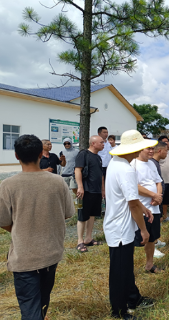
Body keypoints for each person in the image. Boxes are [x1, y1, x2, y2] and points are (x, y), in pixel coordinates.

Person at [0, 134, 74, 319]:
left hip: (24, 257)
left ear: (16, 156)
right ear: (41, 153)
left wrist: (20, 228)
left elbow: (3, 221)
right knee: (42, 299)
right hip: (51, 253)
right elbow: (67, 213)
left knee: (30, 306)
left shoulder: (8, 185)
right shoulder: (57, 181)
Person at [105, 129, 157, 319]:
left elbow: (129, 197)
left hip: (119, 223)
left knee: (125, 267)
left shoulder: (116, 163)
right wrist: (143, 229)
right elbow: (132, 202)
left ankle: (133, 298)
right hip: (120, 227)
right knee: (119, 271)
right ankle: (118, 311)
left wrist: (143, 208)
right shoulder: (126, 169)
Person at [131, 146, 164, 271]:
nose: (151, 151)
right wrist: (153, 195)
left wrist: (158, 197)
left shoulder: (151, 164)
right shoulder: (133, 164)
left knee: (152, 238)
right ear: (140, 149)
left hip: (154, 207)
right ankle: (130, 268)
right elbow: (134, 186)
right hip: (141, 207)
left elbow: (158, 182)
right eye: (148, 149)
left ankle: (149, 264)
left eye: (152, 149)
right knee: (135, 239)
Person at [75, 136, 105, 253]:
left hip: (96, 191)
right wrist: (80, 187)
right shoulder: (83, 154)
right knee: (82, 215)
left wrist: (103, 189)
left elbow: (100, 174)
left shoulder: (98, 157)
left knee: (92, 215)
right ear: (93, 143)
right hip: (86, 190)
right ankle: (80, 241)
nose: (103, 144)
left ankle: (88, 238)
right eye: (101, 142)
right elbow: (78, 170)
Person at [150, 141, 168, 249]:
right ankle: (154, 244)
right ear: (160, 150)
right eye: (166, 150)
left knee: (158, 220)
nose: (167, 153)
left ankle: (156, 240)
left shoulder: (156, 163)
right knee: (154, 222)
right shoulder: (152, 164)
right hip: (154, 198)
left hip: (158, 197)